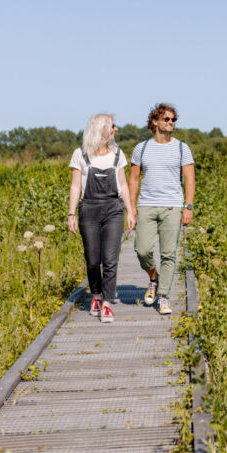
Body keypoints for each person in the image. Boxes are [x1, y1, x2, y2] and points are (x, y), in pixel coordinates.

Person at [67, 114, 137, 324]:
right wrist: (71, 214)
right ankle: (95, 295)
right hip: (89, 209)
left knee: (110, 259)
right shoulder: (80, 154)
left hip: (113, 209)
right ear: (101, 130)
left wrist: (130, 211)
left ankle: (106, 303)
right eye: (112, 126)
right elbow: (75, 186)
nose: (115, 130)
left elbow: (123, 185)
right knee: (92, 259)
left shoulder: (117, 154)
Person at [129, 103, 195, 315]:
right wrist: (131, 207)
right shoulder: (142, 148)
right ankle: (153, 278)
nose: (171, 123)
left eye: (173, 120)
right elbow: (133, 180)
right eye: (167, 119)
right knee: (142, 249)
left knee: (169, 254)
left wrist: (188, 207)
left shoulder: (182, 148)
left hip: (172, 206)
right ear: (154, 122)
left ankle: (163, 296)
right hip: (146, 205)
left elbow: (190, 179)